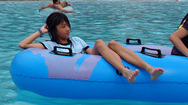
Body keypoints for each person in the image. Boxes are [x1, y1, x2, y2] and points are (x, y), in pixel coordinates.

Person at [19, 12, 164, 83]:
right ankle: (124, 71)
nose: (67, 29)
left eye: (68, 25)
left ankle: (149, 69)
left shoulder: (77, 40)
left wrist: (104, 49)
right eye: (63, 27)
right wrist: (41, 31)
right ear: (53, 30)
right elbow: (23, 45)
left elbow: (91, 53)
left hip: (91, 59)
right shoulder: (50, 45)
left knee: (110, 43)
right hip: (81, 70)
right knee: (101, 42)